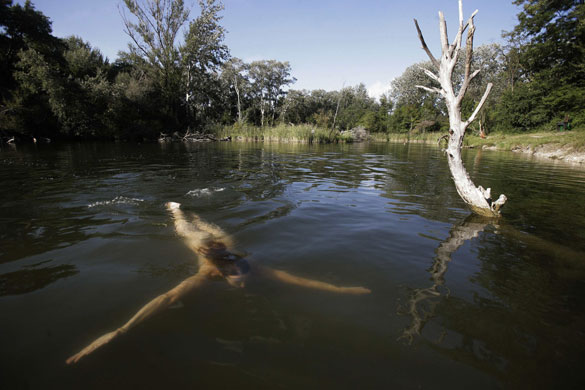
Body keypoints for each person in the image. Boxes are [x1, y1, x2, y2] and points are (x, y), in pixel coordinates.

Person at [66, 202, 370, 364]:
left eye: (241, 281)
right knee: (189, 231)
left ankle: (194, 212)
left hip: (224, 244)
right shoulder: (207, 274)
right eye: (238, 281)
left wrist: (339, 291)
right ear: (222, 274)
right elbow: (168, 298)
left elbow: (299, 281)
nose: (241, 283)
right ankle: (177, 210)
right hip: (203, 245)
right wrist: (121, 330)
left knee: (221, 234)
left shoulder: (254, 267)